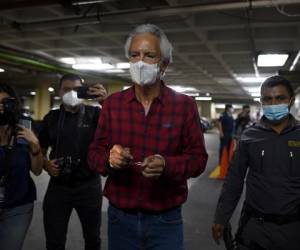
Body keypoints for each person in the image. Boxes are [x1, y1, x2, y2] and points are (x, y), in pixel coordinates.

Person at [88, 24, 208, 250]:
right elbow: (94, 154)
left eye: (149, 55)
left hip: (166, 220)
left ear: (164, 63)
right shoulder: (112, 105)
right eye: (134, 55)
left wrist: (167, 165)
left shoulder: (184, 106)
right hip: (120, 218)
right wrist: (109, 160)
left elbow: (198, 159)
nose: (140, 62)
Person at [212, 75, 300, 250]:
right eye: (268, 99)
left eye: (280, 98)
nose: (273, 103)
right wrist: (221, 217)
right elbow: (234, 180)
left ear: (291, 101)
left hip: (294, 229)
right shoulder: (249, 137)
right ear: (262, 102)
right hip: (255, 229)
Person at [38, 74, 107, 250]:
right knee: (54, 241)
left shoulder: (96, 114)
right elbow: (40, 149)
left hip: (89, 185)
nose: (72, 93)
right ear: (59, 92)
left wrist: (105, 102)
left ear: (84, 91)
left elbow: (119, 127)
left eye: (76, 89)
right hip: (58, 186)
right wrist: (46, 164)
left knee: (92, 239)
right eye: (67, 89)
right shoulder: (51, 118)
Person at [0, 83, 43, 250]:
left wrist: (36, 147)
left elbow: (37, 170)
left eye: (6, 102)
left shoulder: (24, 126)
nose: (2, 107)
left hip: (19, 206)